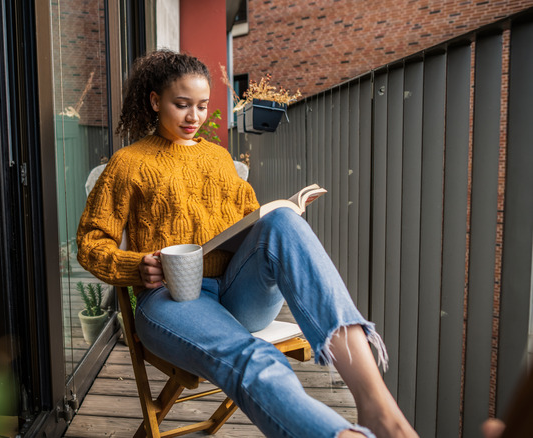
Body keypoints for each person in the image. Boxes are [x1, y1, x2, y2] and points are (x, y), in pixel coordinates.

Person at [76, 49, 417, 438]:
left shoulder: (219, 159)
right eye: (182, 105)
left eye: (202, 106)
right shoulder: (128, 163)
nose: (193, 117)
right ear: (155, 101)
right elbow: (90, 243)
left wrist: (279, 216)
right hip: (171, 301)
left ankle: (376, 406)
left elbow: (249, 222)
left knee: (283, 221)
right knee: (254, 356)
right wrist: (136, 266)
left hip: (237, 293)